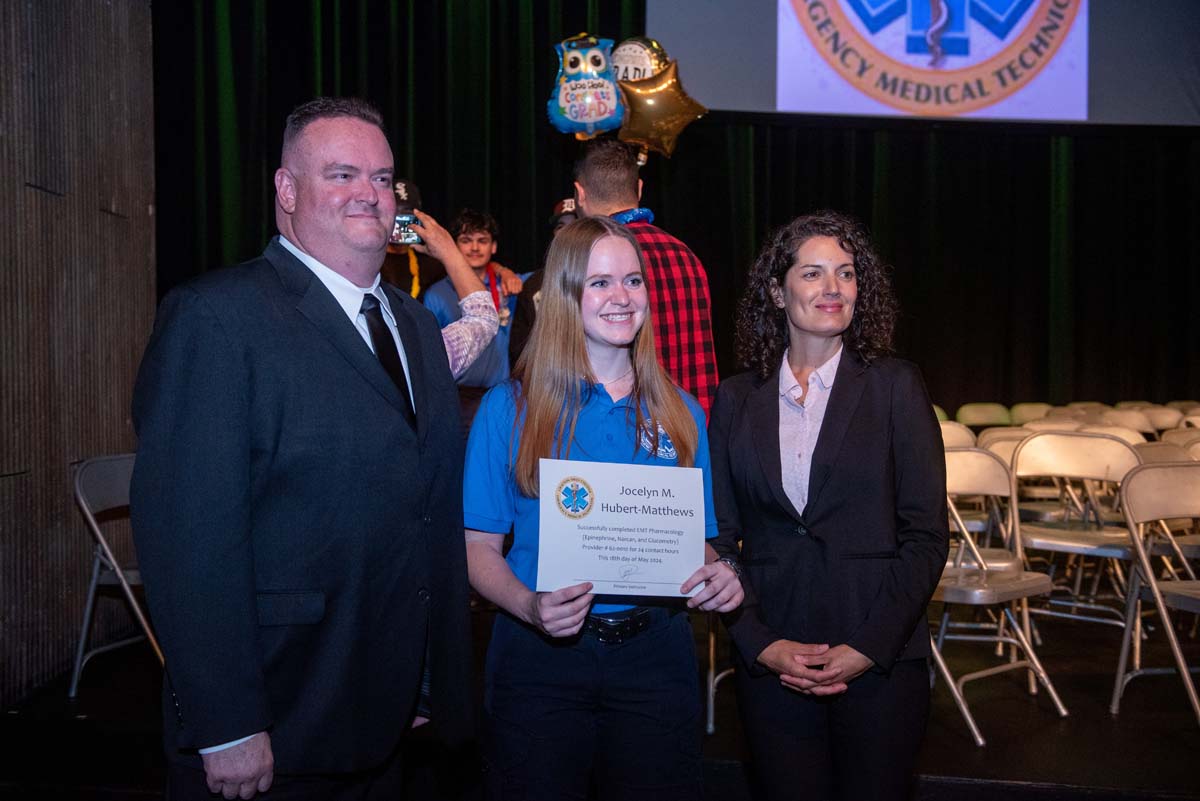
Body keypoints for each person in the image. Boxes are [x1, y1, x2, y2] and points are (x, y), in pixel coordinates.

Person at [130, 97, 473, 800]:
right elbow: (188, 539)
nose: (368, 194)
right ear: (286, 190)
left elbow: (427, 513)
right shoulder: (216, 319)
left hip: (387, 715)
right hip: (274, 719)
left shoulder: (414, 327)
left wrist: (428, 677)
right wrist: (224, 722)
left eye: (382, 179)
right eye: (341, 174)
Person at [463, 216, 744, 800]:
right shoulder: (508, 408)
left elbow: (698, 542)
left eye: (633, 281)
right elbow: (478, 549)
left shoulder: (683, 414)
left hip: (656, 660)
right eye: (600, 283)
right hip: (538, 661)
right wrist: (529, 606)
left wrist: (720, 574)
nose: (622, 297)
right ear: (565, 295)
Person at [707, 211, 948, 801]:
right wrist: (759, 642)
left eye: (846, 273)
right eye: (812, 273)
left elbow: (926, 536)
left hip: (880, 659)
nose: (832, 288)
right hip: (772, 658)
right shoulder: (737, 398)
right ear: (776, 290)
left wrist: (867, 647)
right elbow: (718, 536)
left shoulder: (897, 385)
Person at [573, 139, 719, 415]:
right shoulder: (686, 256)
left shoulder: (586, 258)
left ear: (580, 194)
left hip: (620, 424)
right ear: (639, 188)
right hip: (688, 426)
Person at [423, 208, 532, 431]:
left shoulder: (511, 286)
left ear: (494, 247)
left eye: (482, 241)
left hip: (504, 395)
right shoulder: (436, 294)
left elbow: (549, 276)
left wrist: (504, 271)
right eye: (466, 240)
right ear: (453, 246)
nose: (474, 248)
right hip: (457, 398)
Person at [508, 197, 576, 363]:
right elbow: (518, 348)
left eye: (575, 225)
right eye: (561, 227)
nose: (567, 232)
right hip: (546, 379)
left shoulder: (602, 277)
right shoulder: (533, 284)